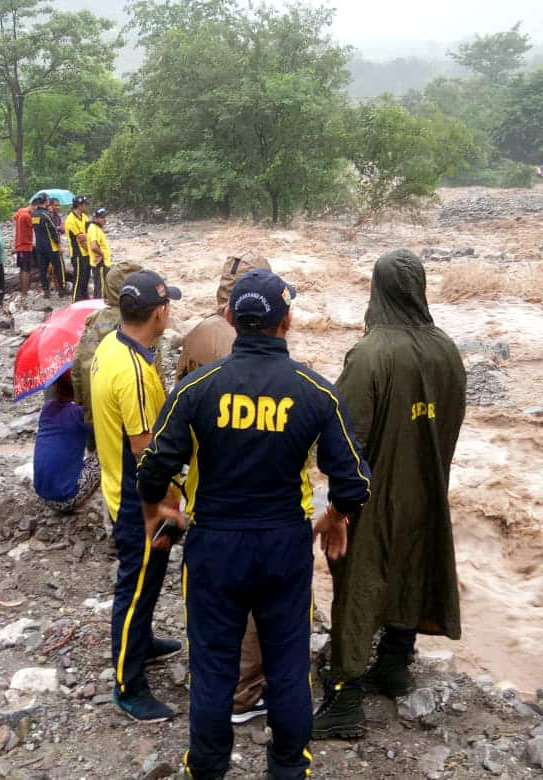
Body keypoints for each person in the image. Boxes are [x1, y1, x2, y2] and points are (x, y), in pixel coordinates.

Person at [136, 268, 372, 779]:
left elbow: (153, 466)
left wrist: (157, 509)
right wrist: (335, 516)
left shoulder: (197, 389)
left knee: (213, 667)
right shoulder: (316, 391)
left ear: (229, 318)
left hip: (214, 547)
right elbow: (354, 480)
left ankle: (207, 768)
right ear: (287, 321)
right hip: (283, 546)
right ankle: (288, 770)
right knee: (287, 670)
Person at [311, 249, 466, 740]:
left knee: (358, 584)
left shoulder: (371, 354)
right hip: (429, 487)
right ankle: (396, 663)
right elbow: (452, 421)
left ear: (377, 291)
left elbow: (341, 434)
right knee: (412, 568)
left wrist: (338, 505)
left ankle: (346, 698)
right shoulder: (447, 350)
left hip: (374, 496)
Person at [174, 252, 272, 726]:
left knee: (209, 592)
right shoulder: (256, 346)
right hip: (248, 495)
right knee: (251, 605)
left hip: (202, 484)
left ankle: (209, 675)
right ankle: (242, 693)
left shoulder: (196, 334)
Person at [90, 269, 183, 721]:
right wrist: (164, 506)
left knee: (143, 579)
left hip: (115, 486)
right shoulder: (135, 374)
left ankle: (142, 642)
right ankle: (128, 684)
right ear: (159, 312)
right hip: (135, 499)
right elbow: (147, 451)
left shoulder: (111, 344)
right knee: (137, 583)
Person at [70, 261, 145, 428]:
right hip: (132, 419)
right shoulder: (140, 323)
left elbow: (77, 369)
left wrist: (83, 406)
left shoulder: (93, 321)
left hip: (95, 415)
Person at [32, 371, 100, 513]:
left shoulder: (47, 409)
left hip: (42, 495)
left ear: (56, 388)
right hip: (66, 499)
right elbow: (107, 433)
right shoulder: (79, 415)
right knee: (107, 455)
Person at [32, 193, 65, 298]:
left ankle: (46, 291)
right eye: (48, 200)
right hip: (51, 246)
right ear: (45, 201)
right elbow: (53, 231)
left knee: (43, 269)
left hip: (40, 246)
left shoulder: (34, 214)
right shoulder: (46, 215)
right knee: (59, 267)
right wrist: (59, 245)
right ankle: (62, 289)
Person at [65, 195, 91, 302]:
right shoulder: (71, 220)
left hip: (86, 252)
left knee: (86, 276)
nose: (86, 206)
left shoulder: (84, 217)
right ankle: (76, 299)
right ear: (79, 205)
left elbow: (89, 232)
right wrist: (91, 250)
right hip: (78, 253)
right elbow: (81, 238)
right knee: (79, 277)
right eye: (85, 204)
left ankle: (85, 296)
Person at [87, 208, 111, 299]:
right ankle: (98, 309)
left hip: (102, 263)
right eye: (102, 217)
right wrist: (102, 255)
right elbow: (94, 246)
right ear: (95, 218)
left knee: (100, 287)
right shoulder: (94, 229)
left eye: (105, 216)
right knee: (101, 288)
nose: (105, 219)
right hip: (100, 264)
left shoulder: (97, 228)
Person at [13, 198, 36, 297]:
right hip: (25, 245)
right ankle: (24, 293)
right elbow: (34, 225)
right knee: (26, 269)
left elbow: (13, 217)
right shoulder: (26, 216)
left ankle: (23, 291)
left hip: (20, 244)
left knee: (22, 268)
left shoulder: (20, 212)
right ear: (33, 206)